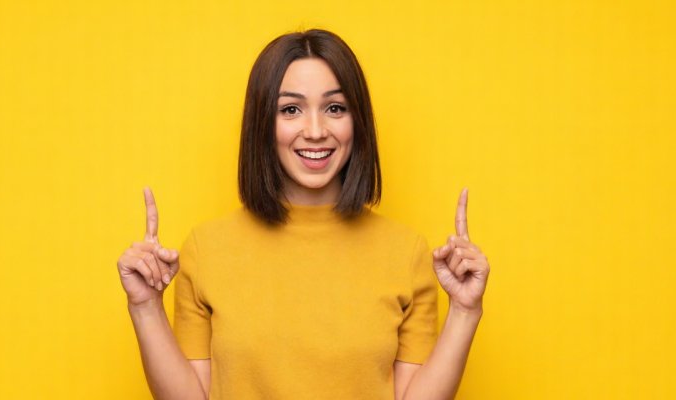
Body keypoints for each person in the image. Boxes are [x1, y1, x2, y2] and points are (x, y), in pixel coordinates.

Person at [117, 29, 491, 400]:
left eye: (335, 108)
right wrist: (146, 306)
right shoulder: (206, 249)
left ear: (356, 120)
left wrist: (464, 311)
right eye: (290, 109)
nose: (315, 131)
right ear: (263, 122)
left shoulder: (406, 252)